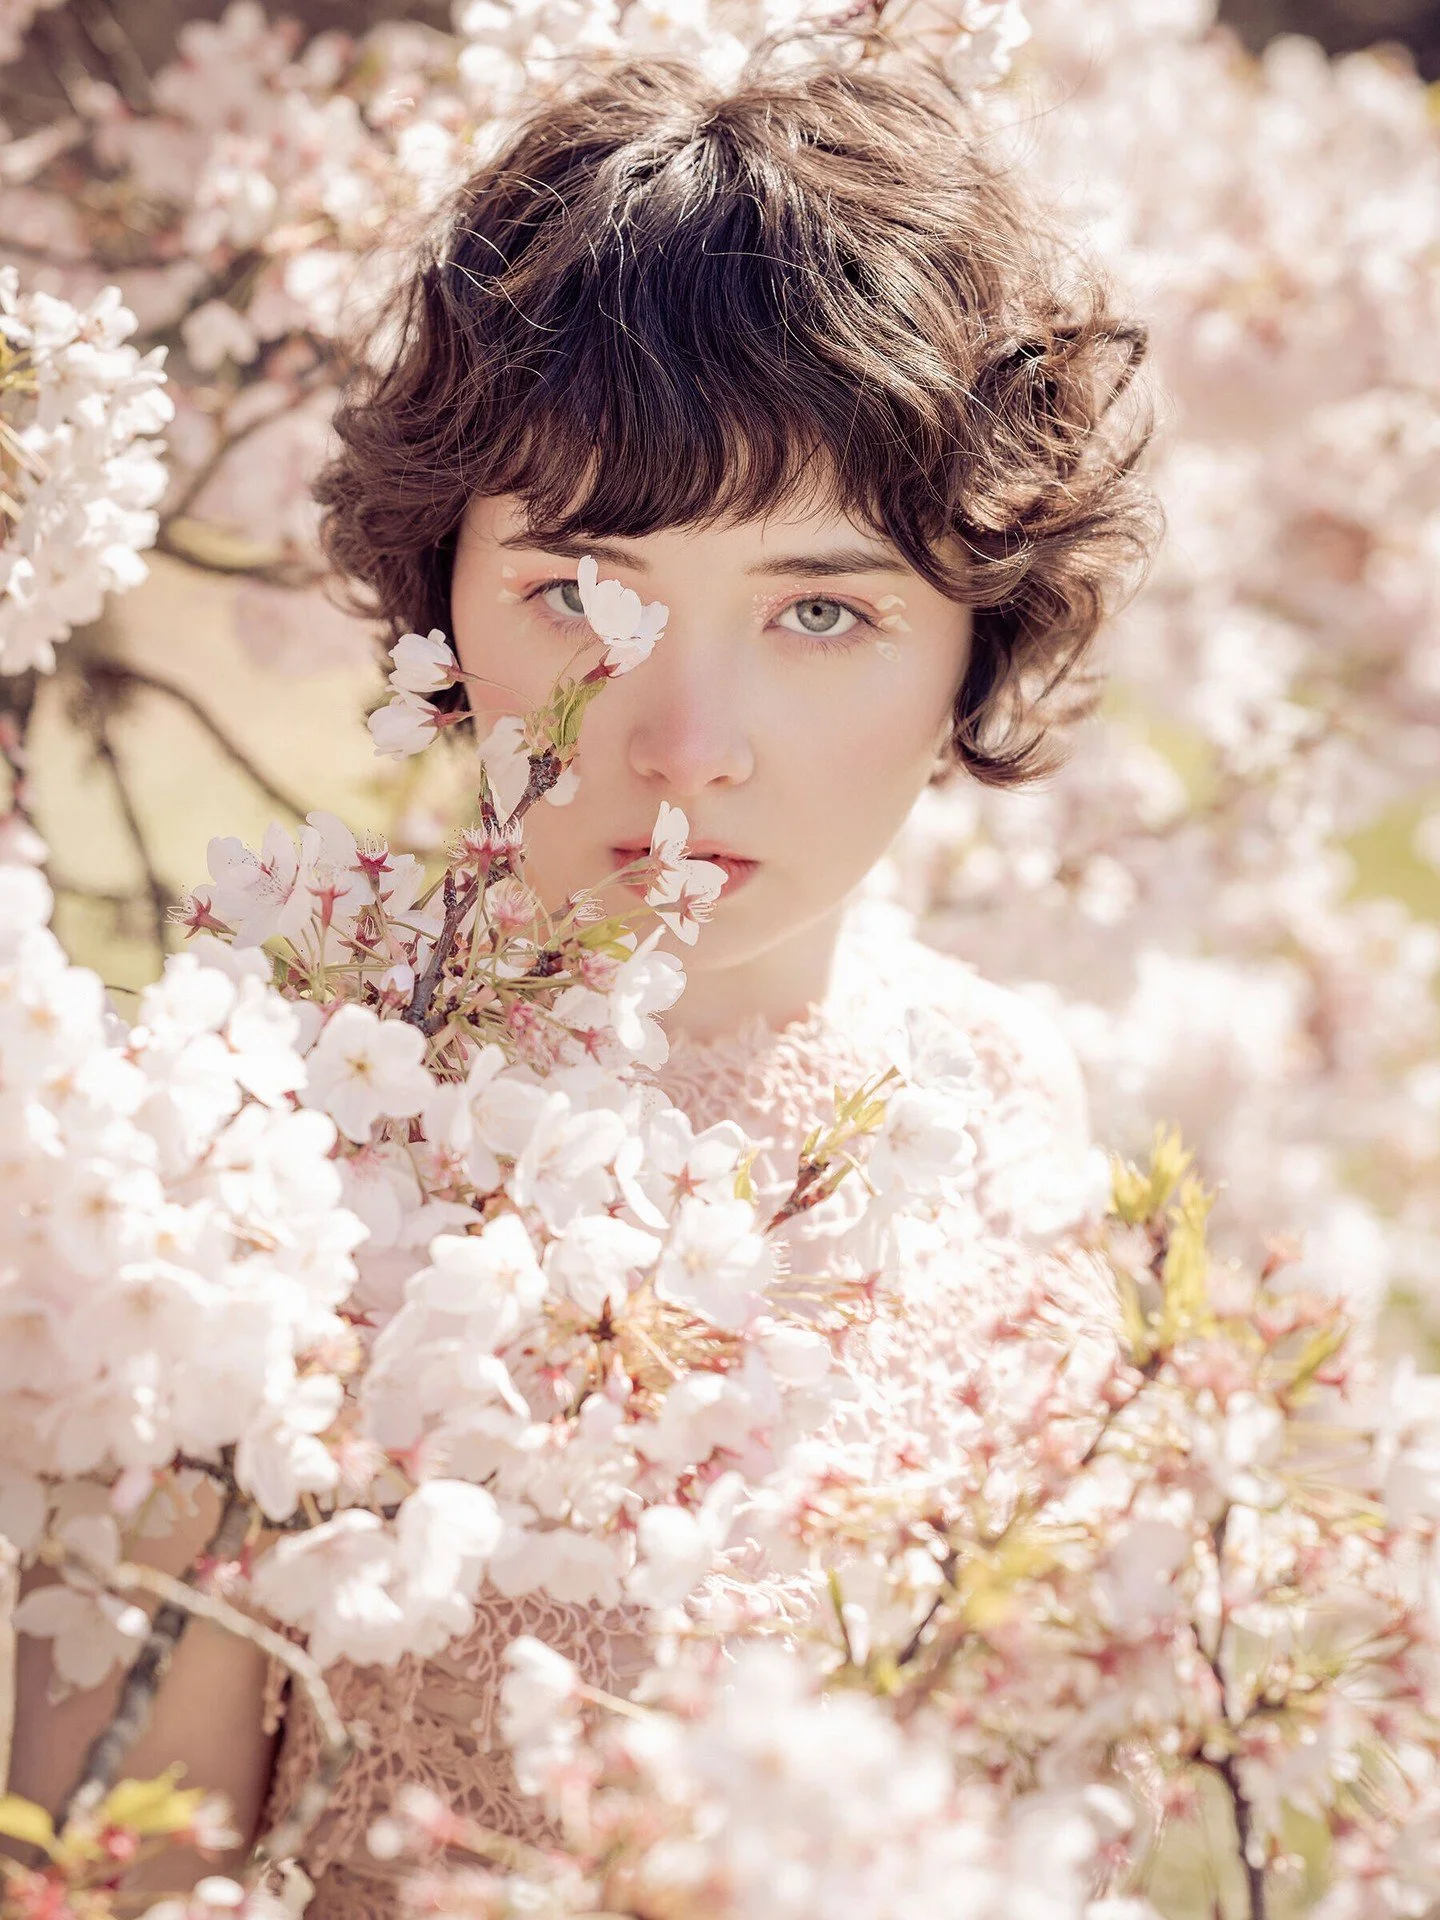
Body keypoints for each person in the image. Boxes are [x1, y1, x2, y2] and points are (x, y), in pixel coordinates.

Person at [9, 36, 1160, 1917]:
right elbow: (112, 1882)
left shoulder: (1010, 1103)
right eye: (578, 591)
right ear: (443, 603)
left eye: (819, 610)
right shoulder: (243, 1149)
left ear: (979, 634)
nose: (685, 738)